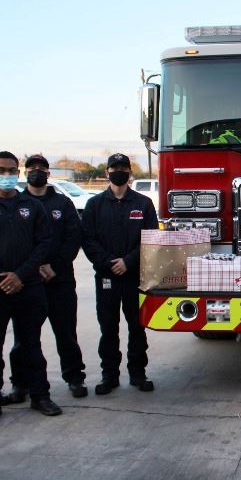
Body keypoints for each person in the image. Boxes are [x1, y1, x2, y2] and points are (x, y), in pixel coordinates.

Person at [0, 151, 61, 428]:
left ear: (17, 174)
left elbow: (43, 243)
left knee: (30, 344)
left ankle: (39, 395)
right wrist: (0, 278)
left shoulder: (32, 206)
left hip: (28, 287)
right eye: (2, 170)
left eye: (11, 170)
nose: (7, 175)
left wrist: (20, 275)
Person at [5, 155, 87, 401]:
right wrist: (31, 269)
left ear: (48, 174)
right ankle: (21, 384)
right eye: (32, 168)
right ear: (25, 172)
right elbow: (13, 243)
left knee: (66, 333)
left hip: (60, 280)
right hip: (28, 283)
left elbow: (73, 238)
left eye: (41, 168)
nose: (37, 172)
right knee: (24, 338)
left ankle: (74, 378)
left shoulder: (62, 203)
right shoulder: (18, 203)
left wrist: (56, 266)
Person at [81, 153, 158, 395]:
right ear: (107, 172)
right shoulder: (94, 205)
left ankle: (138, 374)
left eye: (123, 167)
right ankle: (109, 376)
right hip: (106, 277)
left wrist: (128, 261)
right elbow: (87, 239)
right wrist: (107, 262)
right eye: (114, 168)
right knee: (108, 329)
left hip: (135, 276)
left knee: (137, 328)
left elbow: (150, 238)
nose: (119, 171)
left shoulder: (143, 204)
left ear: (130, 172)